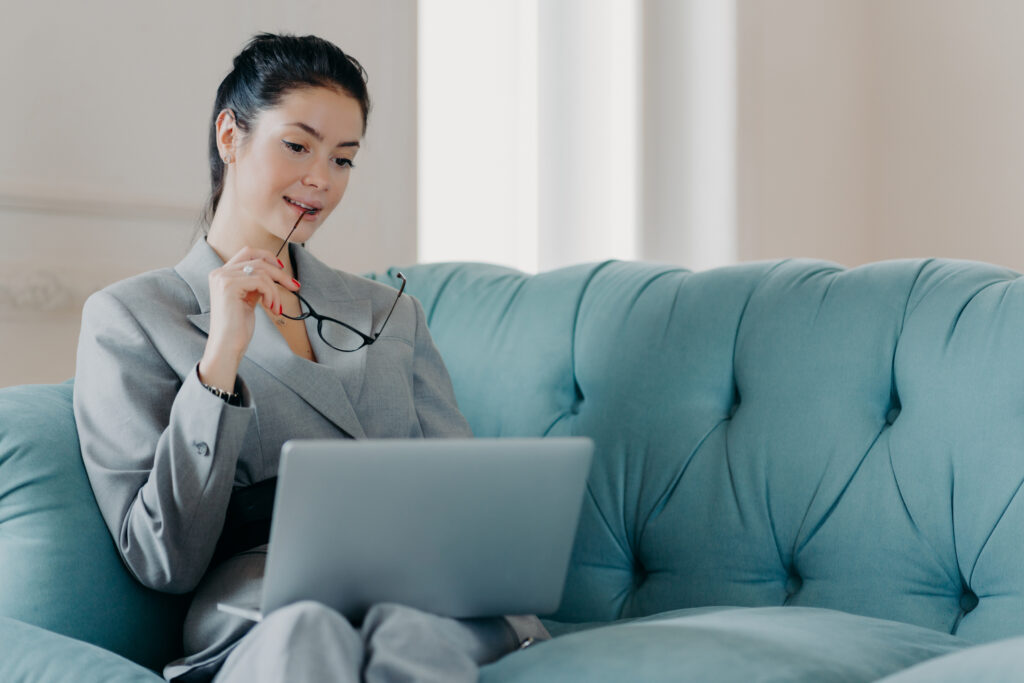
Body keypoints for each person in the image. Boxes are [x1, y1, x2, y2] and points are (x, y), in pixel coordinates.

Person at [73, 32, 547, 682]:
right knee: (309, 628)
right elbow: (164, 558)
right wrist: (219, 363)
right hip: (263, 613)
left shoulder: (390, 314)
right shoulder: (130, 318)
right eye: (297, 146)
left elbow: (463, 499)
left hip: (418, 601)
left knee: (415, 631)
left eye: (344, 159)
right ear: (230, 137)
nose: (320, 180)